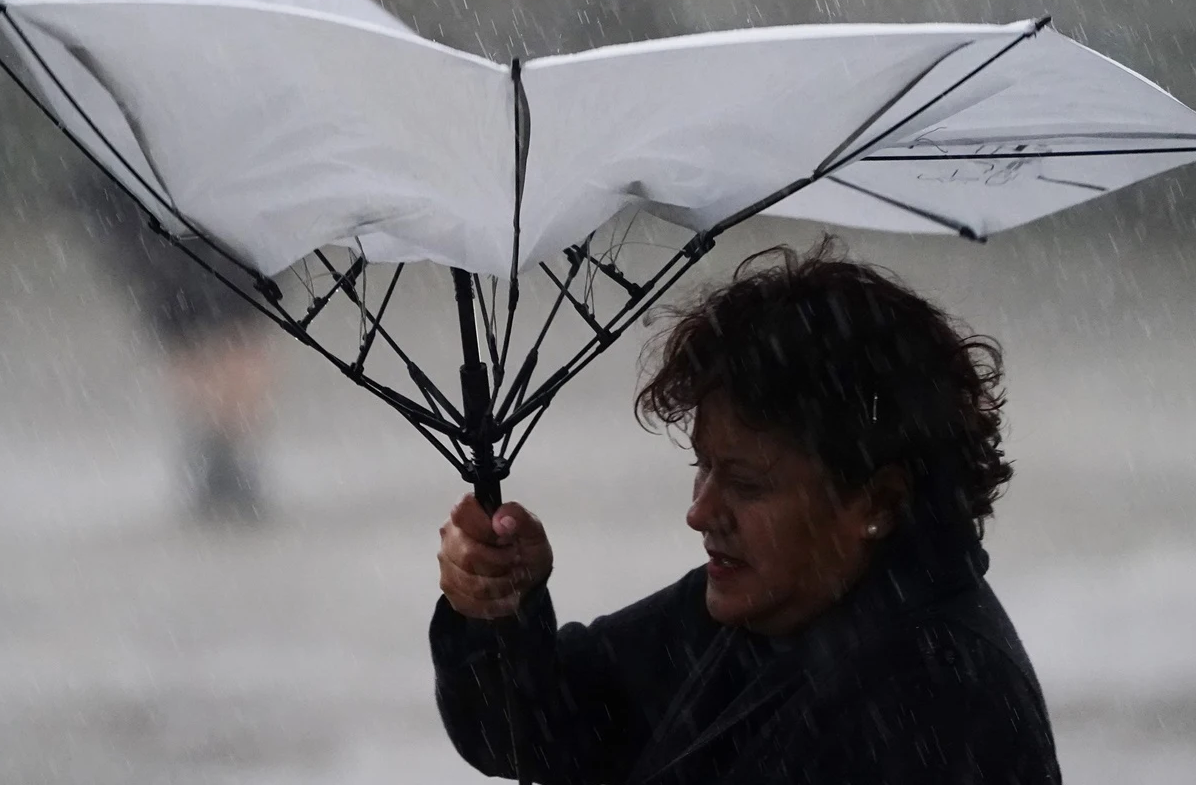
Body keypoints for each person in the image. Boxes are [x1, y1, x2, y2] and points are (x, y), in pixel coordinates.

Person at [431, 240, 1061, 784]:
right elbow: (529, 728)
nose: (701, 513)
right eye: (701, 466)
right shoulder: (770, 610)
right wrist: (494, 607)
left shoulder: (939, 699)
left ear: (878, 502)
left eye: (747, 484)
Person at [77, 170, 276, 522]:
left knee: (207, 320)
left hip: (164, 189)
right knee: (216, 319)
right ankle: (220, 446)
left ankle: (219, 445)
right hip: (205, 189)